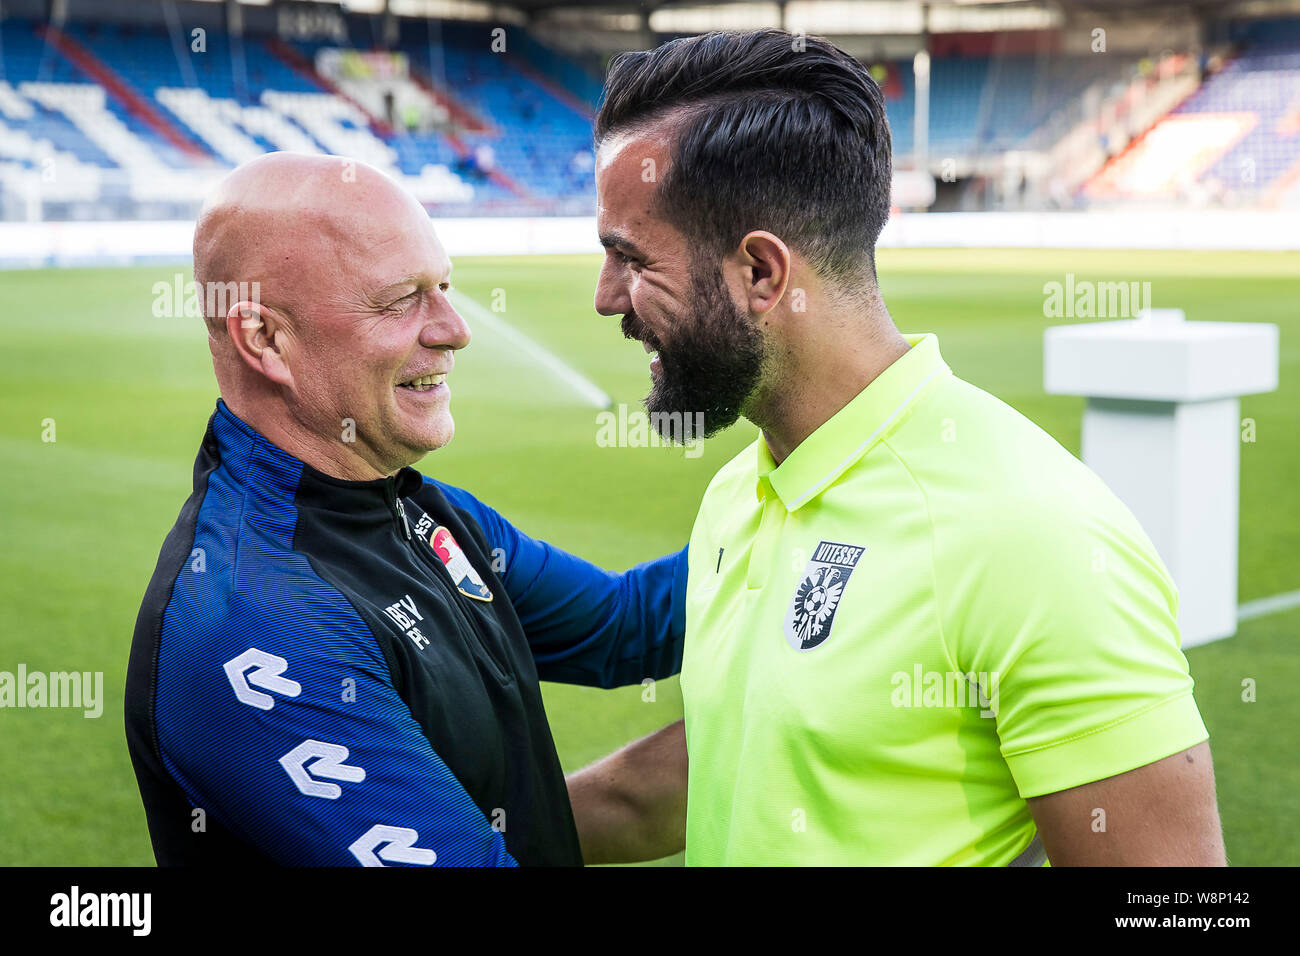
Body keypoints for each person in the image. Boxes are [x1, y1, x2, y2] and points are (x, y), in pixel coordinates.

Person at [568, 29, 1226, 866]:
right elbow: (760, 753)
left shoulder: (1031, 532)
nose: (603, 299)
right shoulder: (741, 491)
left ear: (763, 274)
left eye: (629, 258)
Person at [125, 152, 686, 867]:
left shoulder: (412, 509)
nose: (455, 329)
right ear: (264, 338)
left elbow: (624, 628)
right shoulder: (258, 623)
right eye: (400, 300)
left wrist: (820, 495)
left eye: (445, 288)